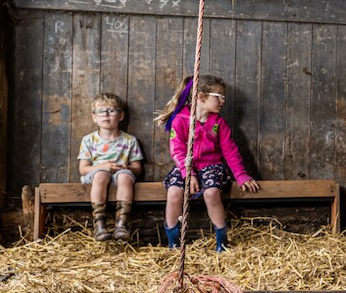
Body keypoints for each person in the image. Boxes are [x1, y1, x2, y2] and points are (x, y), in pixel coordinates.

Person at [154, 75, 260, 252]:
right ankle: (173, 242)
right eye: (219, 97)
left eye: (223, 97)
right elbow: (177, 150)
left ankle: (222, 241)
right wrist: (189, 173)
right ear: (201, 97)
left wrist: (241, 175)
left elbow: (230, 151)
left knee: (211, 193)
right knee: (174, 193)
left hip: (212, 166)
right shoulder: (180, 120)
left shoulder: (218, 123)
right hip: (186, 167)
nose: (222, 101)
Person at [78, 93, 144, 241]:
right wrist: (101, 166)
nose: (106, 115)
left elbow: (137, 168)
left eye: (111, 111)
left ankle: (121, 224)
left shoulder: (130, 141)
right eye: (101, 111)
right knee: (101, 174)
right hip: (96, 176)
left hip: (120, 176)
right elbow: (83, 169)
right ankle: (99, 224)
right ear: (94, 117)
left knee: (125, 176)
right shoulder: (89, 140)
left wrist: (126, 167)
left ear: (120, 116)